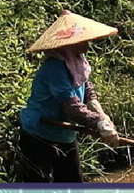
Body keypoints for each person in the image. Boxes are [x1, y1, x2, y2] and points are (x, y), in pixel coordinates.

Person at [18, 10, 120, 182]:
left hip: (65, 135)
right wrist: (98, 123)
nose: (87, 45)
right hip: (40, 135)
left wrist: (103, 116)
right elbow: (72, 107)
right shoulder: (55, 68)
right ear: (69, 44)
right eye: (83, 41)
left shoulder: (78, 60)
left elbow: (87, 89)